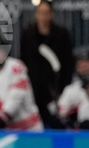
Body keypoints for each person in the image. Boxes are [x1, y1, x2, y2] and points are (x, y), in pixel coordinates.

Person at [20, 0, 75, 128]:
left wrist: (63, 88)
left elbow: (68, 63)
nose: (43, 17)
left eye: (46, 13)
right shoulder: (27, 35)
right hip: (34, 89)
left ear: (51, 14)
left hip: (55, 88)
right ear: (36, 14)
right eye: (40, 13)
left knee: (57, 122)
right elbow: (24, 61)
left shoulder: (62, 34)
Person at [0, 48, 44, 131]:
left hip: (29, 128)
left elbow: (17, 96)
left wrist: (3, 116)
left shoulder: (16, 66)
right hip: (6, 130)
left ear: (5, 53)